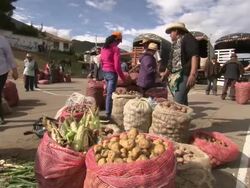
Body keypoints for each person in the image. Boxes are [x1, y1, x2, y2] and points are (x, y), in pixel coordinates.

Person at [161, 22, 199, 105]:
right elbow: (171, 61)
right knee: (182, 101)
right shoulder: (175, 44)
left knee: (178, 101)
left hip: (185, 74)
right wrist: (166, 74)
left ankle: (177, 117)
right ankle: (185, 116)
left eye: (171, 32)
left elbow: (194, 55)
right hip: (176, 75)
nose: (170, 35)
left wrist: (192, 74)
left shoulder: (188, 38)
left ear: (176, 31)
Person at [100, 31, 128, 120]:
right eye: (119, 42)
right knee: (110, 95)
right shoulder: (115, 49)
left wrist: (104, 71)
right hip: (112, 74)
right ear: (117, 40)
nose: (119, 44)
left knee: (107, 93)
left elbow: (101, 61)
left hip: (105, 72)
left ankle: (107, 112)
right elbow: (117, 66)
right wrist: (123, 78)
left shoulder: (103, 48)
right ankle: (108, 115)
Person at [0, 35, 18, 124]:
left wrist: (14, 70)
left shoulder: (2, 40)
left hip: (2, 71)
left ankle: (0, 117)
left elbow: (9, 56)